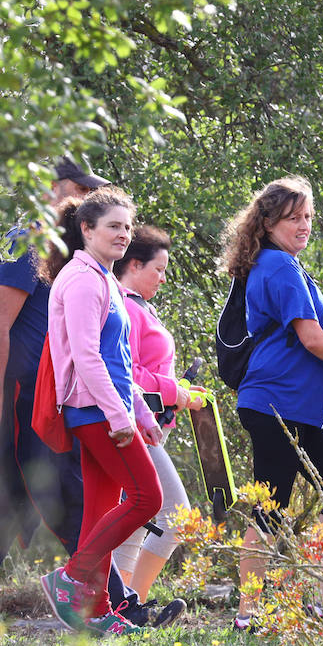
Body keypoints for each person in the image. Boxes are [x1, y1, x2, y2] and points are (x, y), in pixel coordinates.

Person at [0, 164, 163, 626]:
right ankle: (104, 598)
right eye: (80, 189)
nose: (86, 196)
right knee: (51, 495)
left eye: (93, 190)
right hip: (25, 393)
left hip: (53, 393)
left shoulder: (75, 256)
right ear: (52, 189)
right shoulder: (27, 238)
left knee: (36, 497)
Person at [221, 177, 323, 631]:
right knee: (272, 509)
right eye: (294, 217)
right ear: (268, 222)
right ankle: (247, 614)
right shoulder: (280, 268)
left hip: (296, 411)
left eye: (309, 217)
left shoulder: (285, 266)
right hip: (276, 405)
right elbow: (311, 337)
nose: (304, 225)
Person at [36, 190, 164, 636]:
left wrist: (143, 416)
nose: (124, 235)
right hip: (93, 410)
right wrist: (119, 417)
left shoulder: (104, 278)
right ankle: (71, 577)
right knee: (148, 498)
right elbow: (88, 358)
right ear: (87, 229)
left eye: (128, 227)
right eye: (114, 226)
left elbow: (120, 360)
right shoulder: (83, 279)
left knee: (100, 510)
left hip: (106, 409)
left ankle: (98, 611)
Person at [110, 226, 199, 604]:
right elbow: (122, 370)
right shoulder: (127, 306)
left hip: (146, 425)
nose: (163, 278)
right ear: (133, 264)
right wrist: (172, 391)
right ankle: (134, 603)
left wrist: (179, 390)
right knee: (177, 516)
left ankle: (119, 605)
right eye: (158, 269)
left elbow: (148, 371)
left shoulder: (138, 305)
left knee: (134, 521)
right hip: (132, 424)